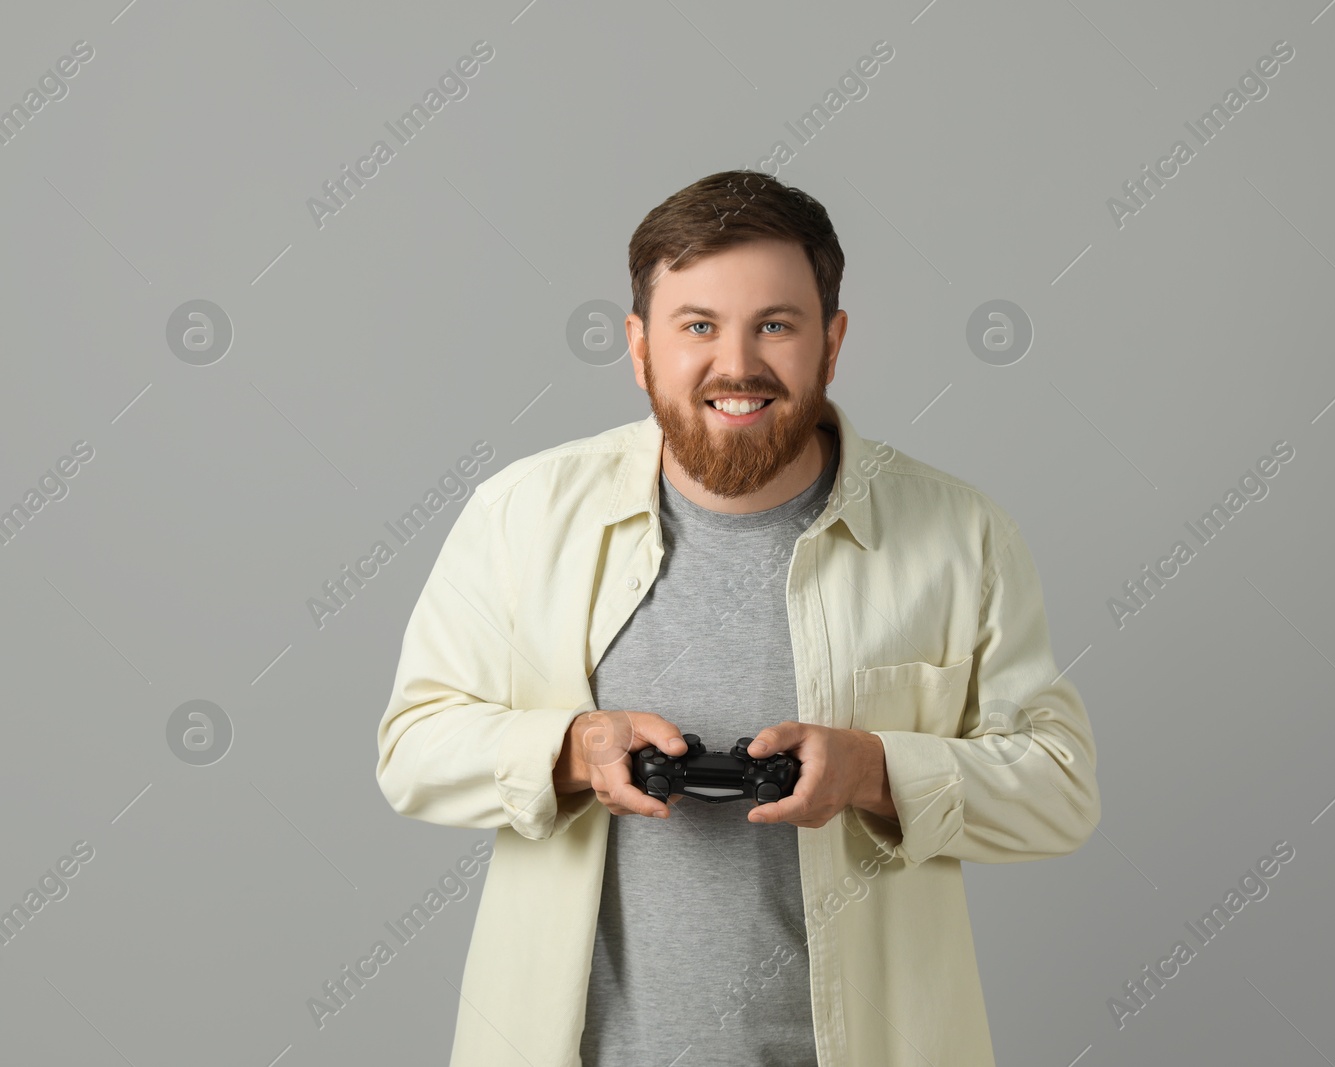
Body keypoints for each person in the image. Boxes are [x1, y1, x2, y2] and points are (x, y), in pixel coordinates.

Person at [376, 169, 1101, 1067]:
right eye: (698, 326)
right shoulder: (521, 514)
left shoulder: (960, 534)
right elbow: (412, 747)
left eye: (776, 325)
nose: (738, 365)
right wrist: (573, 751)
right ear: (639, 346)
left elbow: (1060, 788)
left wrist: (878, 770)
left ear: (832, 342)